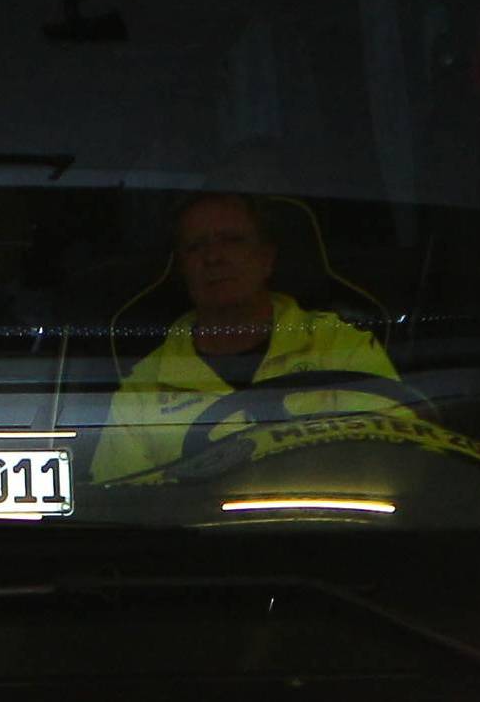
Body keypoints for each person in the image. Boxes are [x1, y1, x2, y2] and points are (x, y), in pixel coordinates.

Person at [91, 191, 399, 484]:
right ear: (183, 268)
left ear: (266, 258)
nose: (213, 257)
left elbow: (395, 458)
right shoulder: (145, 385)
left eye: (232, 241)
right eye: (196, 246)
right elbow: (124, 500)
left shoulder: (341, 347)